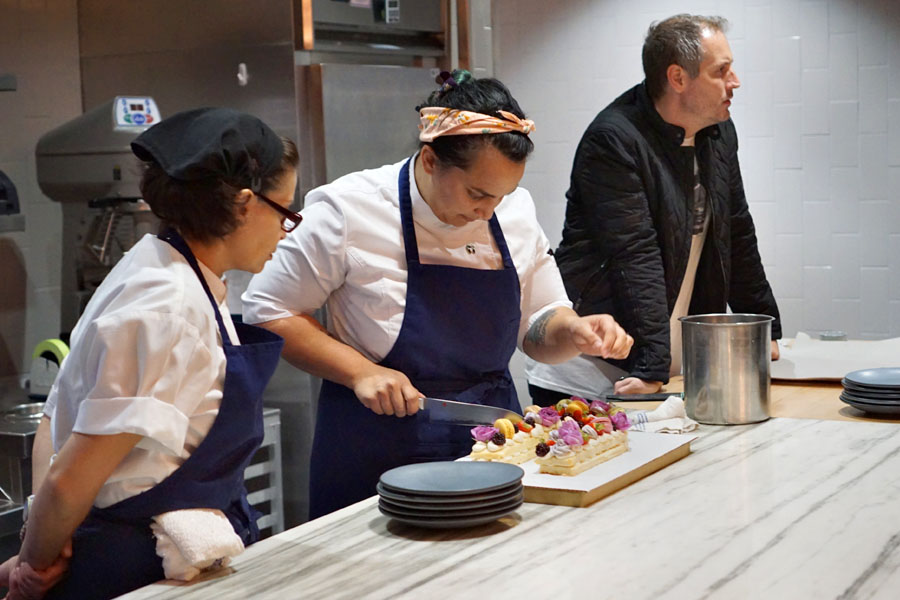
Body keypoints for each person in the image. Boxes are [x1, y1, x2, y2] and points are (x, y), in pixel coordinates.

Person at [242, 70, 634, 519]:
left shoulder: (514, 209)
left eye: (501, 196)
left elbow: (541, 322)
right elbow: (267, 310)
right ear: (429, 161)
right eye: (477, 193)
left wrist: (575, 330)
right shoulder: (347, 209)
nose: (488, 210)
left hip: (494, 445)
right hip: (373, 447)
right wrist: (359, 372)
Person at [2, 107, 300, 599]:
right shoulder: (168, 308)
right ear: (245, 205)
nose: (288, 230)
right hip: (135, 572)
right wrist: (33, 567)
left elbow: (54, 416)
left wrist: (42, 542)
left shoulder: (155, 263)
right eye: (286, 212)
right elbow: (72, 477)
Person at [526, 14, 781, 406]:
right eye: (722, 71)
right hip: (594, 370)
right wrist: (650, 367)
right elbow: (634, 255)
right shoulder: (614, 140)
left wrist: (763, 328)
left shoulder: (717, 132)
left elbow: (737, 230)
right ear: (678, 78)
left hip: (660, 369)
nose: (735, 82)